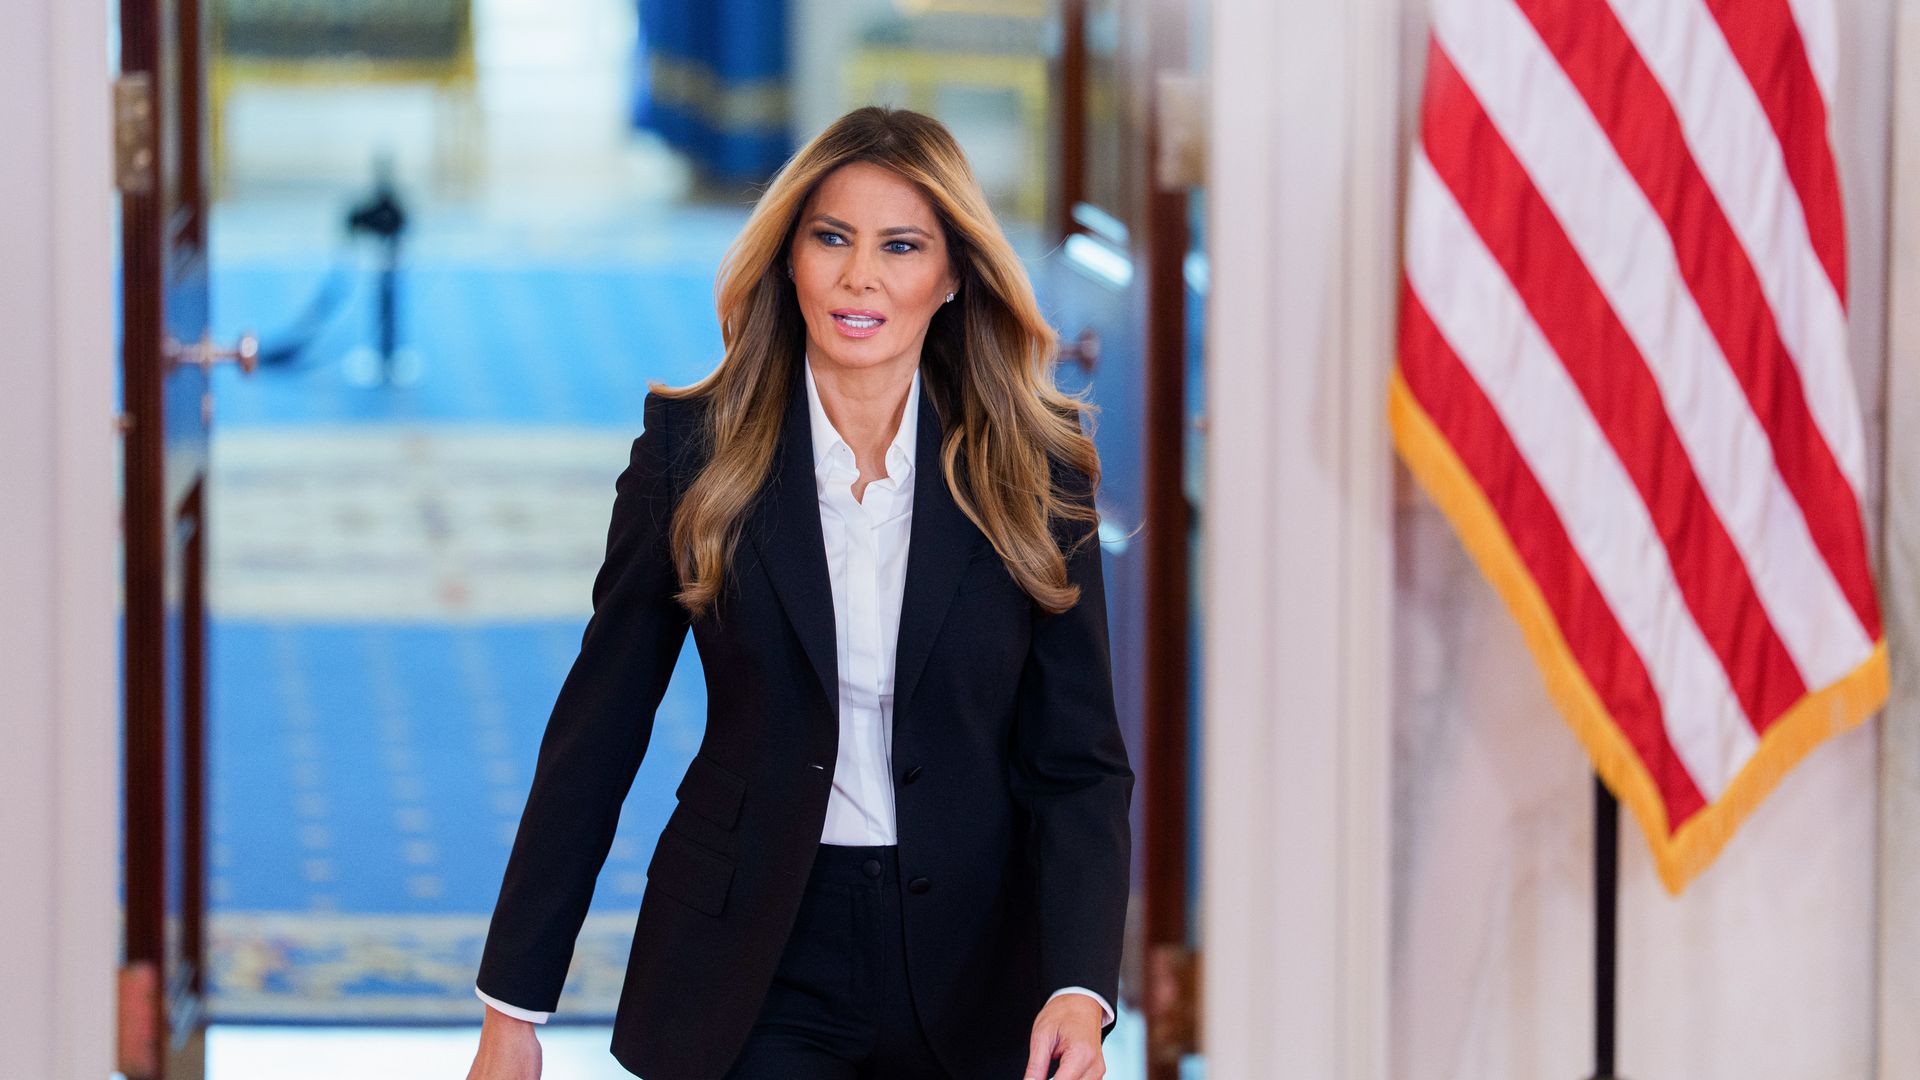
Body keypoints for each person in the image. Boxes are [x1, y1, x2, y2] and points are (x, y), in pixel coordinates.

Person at [466, 105, 1133, 1080]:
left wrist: (1080, 983)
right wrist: (512, 1012)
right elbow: (598, 732)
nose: (860, 276)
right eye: (832, 238)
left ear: (951, 275)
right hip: (751, 959)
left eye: (900, 246)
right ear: (789, 257)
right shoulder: (689, 455)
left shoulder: (1036, 471)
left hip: (976, 966)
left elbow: (1078, 763)